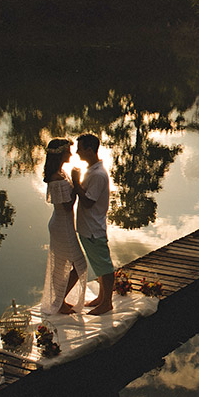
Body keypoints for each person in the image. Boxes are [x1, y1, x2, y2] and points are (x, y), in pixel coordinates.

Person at [39, 138, 88, 315]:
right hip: (62, 225)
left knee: (61, 265)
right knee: (80, 264)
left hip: (63, 223)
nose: (71, 153)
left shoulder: (60, 172)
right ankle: (59, 302)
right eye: (68, 150)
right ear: (61, 153)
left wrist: (75, 182)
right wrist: (76, 183)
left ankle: (59, 300)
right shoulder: (56, 178)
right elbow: (67, 206)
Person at [72, 133, 115, 315]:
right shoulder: (92, 170)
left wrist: (75, 181)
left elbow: (89, 201)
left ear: (89, 150)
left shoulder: (97, 174)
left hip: (93, 229)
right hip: (88, 227)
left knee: (104, 266)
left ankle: (107, 303)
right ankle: (101, 297)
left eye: (80, 148)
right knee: (99, 265)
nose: (77, 152)